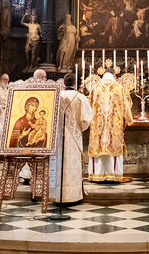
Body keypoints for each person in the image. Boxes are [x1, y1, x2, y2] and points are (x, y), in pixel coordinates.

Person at [49, 73, 94, 203]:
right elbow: (87, 119)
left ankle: (56, 195)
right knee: (72, 164)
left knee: (57, 164)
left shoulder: (56, 96)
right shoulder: (80, 97)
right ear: (75, 83)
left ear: (64, 83)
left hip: (56, 137)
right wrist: (78, 128)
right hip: (73, 138)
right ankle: (73, 196)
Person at [87, 72, 133, 182]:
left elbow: (89, 106)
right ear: (114, 76)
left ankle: (97, 175)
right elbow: (126, 106)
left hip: (98, 126)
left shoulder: (95, 87)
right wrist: (129, 120)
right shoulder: (119, 87)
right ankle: (114, 175)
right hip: (114, 126)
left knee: (98, 148)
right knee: (114, 148)